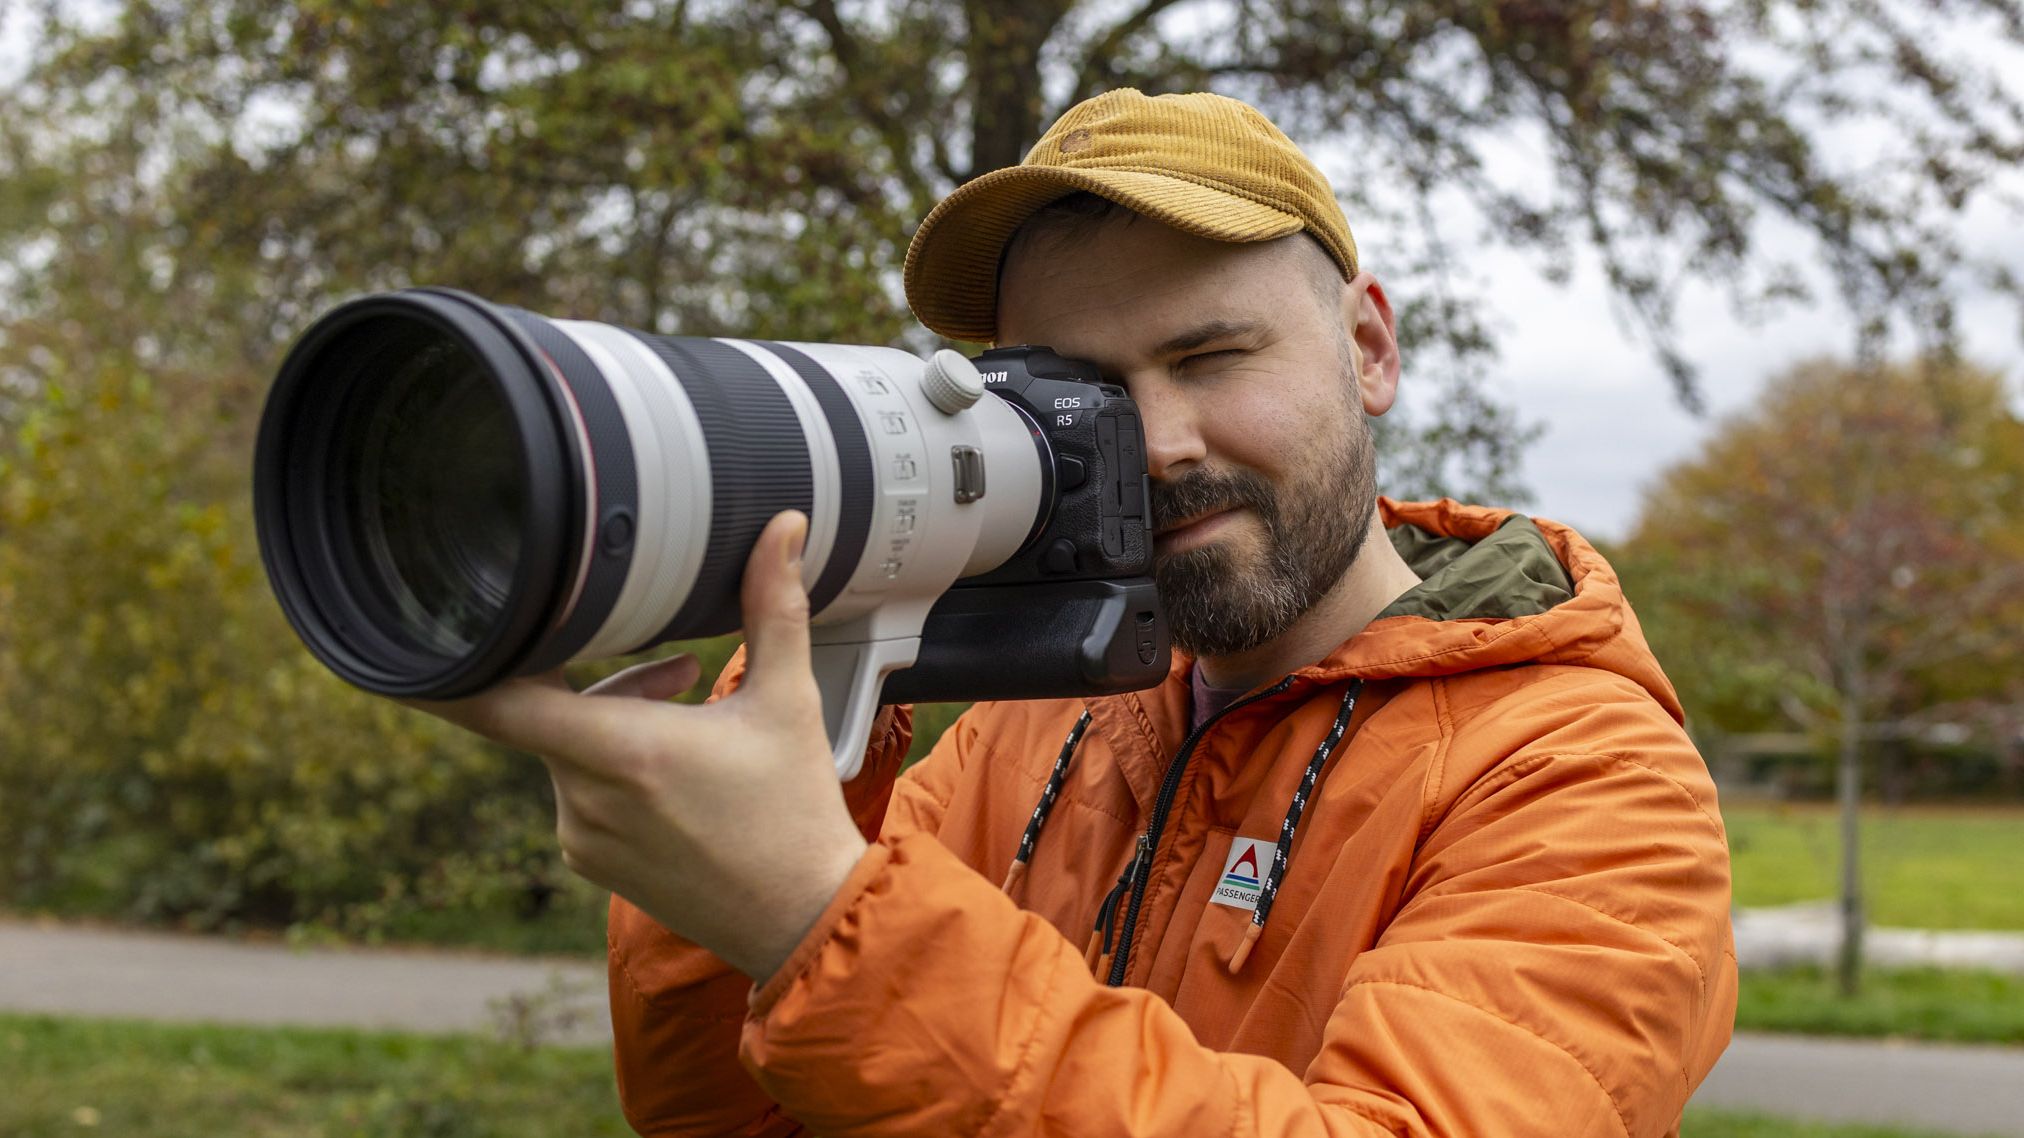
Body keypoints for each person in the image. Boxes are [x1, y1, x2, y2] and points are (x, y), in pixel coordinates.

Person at [408, 90, 1736, 1136]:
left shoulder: (1587, 781)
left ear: (1369, 348)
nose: (1155, 443)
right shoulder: (1030, 728)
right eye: (1079, 393)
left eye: (1212, 355)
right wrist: (729, 860)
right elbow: (738, 1118)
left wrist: (822, 912)